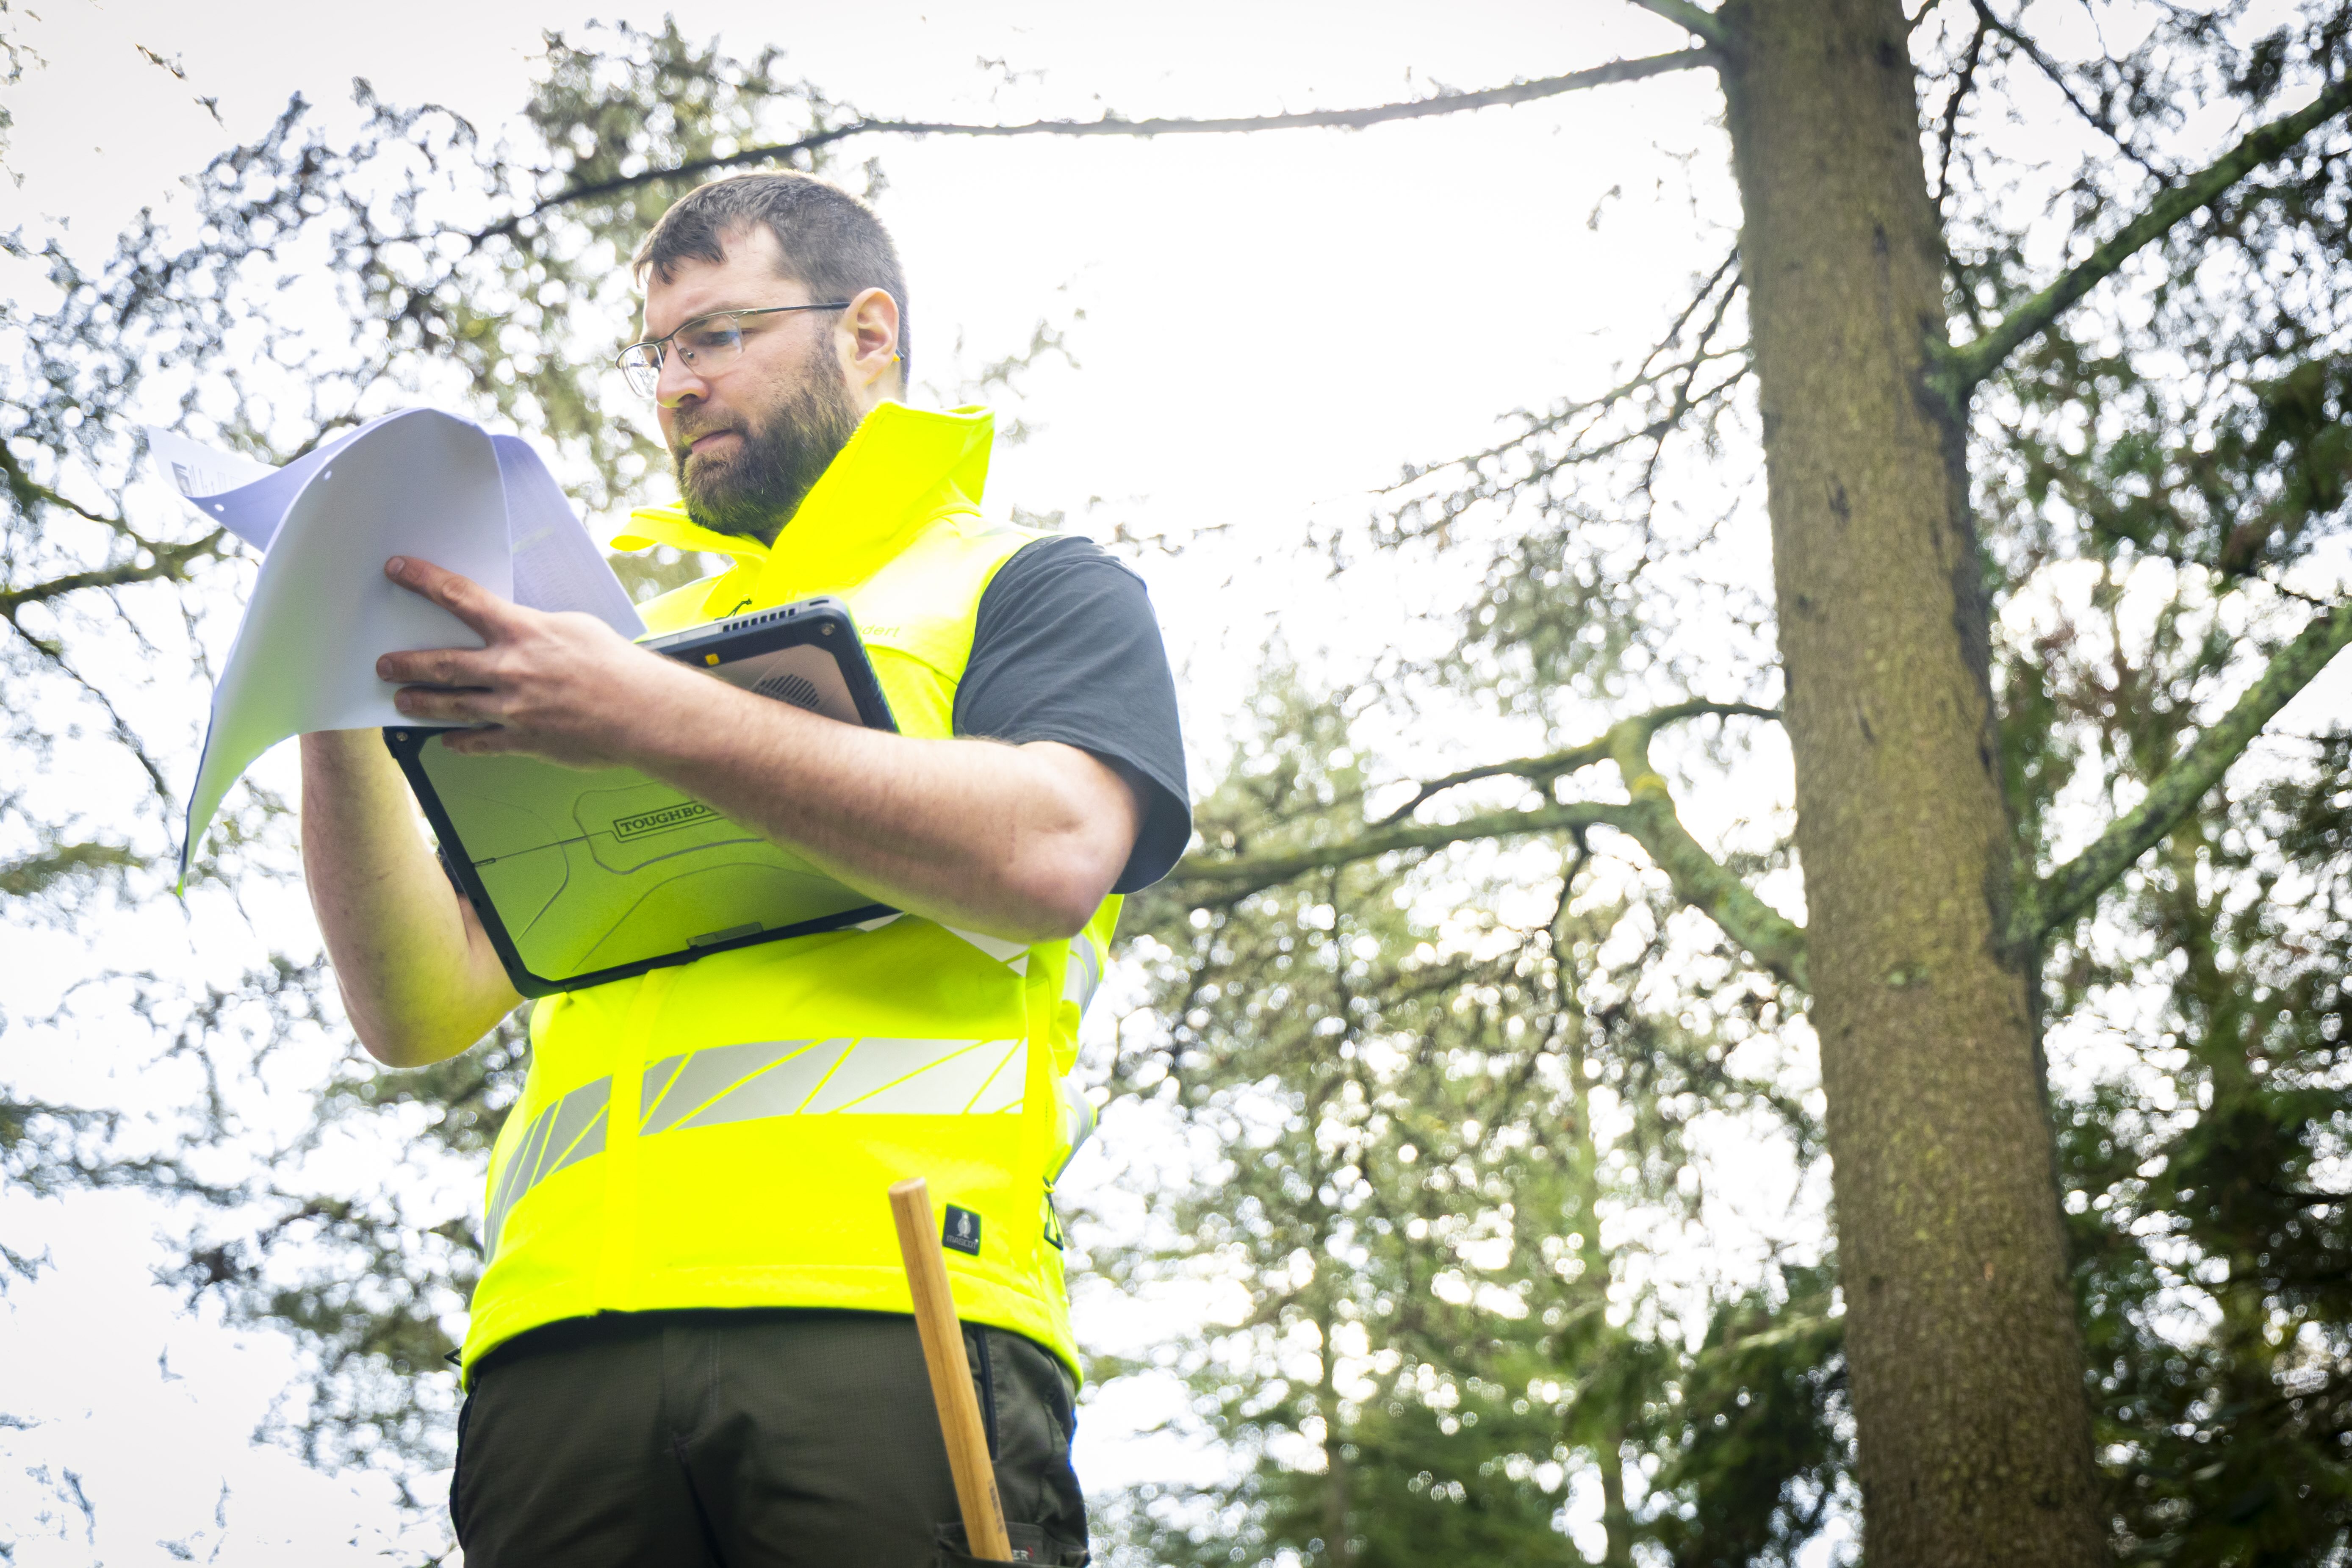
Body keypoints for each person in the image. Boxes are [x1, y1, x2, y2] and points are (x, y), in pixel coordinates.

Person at [298, 172, 1189, 1567]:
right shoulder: (605, 640)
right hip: (553, 1351)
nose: (674, 386)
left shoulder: (1028, 584)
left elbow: (1053, 850)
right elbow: (415, 1010)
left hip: (890, 1307)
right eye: (656, 352)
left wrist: (646, 712)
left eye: (715, 336)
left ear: (868, 333)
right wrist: (327, 680)